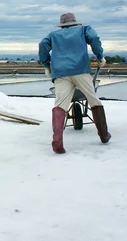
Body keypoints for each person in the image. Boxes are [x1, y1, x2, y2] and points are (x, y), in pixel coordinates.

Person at [39, 13, 110, 154]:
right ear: (75, 22)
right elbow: (94, 38)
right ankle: (103, 135)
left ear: (62, 24)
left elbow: (42, 45)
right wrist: (100, 56)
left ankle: (57, 141)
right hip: (80, 70)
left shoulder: (53, 35)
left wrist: (46, 65)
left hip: (60, 73)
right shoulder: (84, 30)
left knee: (60, 105)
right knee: (93, 100)